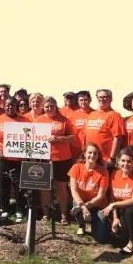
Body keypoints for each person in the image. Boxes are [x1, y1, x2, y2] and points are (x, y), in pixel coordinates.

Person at [0, 97, 28, 223]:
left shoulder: (25, 120)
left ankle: (19, 210)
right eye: (8, 105)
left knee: (19, 185)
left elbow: (31, 137)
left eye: (13, 105)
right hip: (2, 158)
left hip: (20, 159)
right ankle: (4, 210)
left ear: (17, 107)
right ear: (4, 106)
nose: (10, 107)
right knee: (2, 185)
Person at [35, 96, 75, 225]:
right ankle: (46, 214)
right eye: (47, 106)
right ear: (43, 108)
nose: (49, 109)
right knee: (44, 186)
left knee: (61, 186)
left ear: (56, 106)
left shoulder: (64, 120)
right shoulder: (38, 120)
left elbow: (71, 137)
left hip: (62, 157)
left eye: (52, 106)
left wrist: (58, 139)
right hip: (43, 157)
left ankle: (64, 214)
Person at [68, 143, 109, 241]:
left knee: (100, 238)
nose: (92, 155)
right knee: (76, 209)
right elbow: (73, 190)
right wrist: (82, 206)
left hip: (97, 204)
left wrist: (85, 207)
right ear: (84, 154)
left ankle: (97, 223)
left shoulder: (103, 172)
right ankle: (81, 225)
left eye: (95, 153)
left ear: (98, 156)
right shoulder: (76, 167)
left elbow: (100, 196)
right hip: (80, 203)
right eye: (90, 153)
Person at [85, 89, 125, 172]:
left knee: (104, 183)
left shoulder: (114, 115)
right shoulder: (92, 114)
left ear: (110, 99)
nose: (101, 99)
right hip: (90, 157)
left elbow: (117, 138)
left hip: (105, 159)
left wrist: (112, 158)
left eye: (104, 97)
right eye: (99, 97)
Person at [68, 91, 95, 160]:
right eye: (81, 100)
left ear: (90, 100)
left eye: (85, 100)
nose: (83, 102)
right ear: (78, 101)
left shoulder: (95, 114)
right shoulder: (72, 115)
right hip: (75, 151)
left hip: (92, 151)